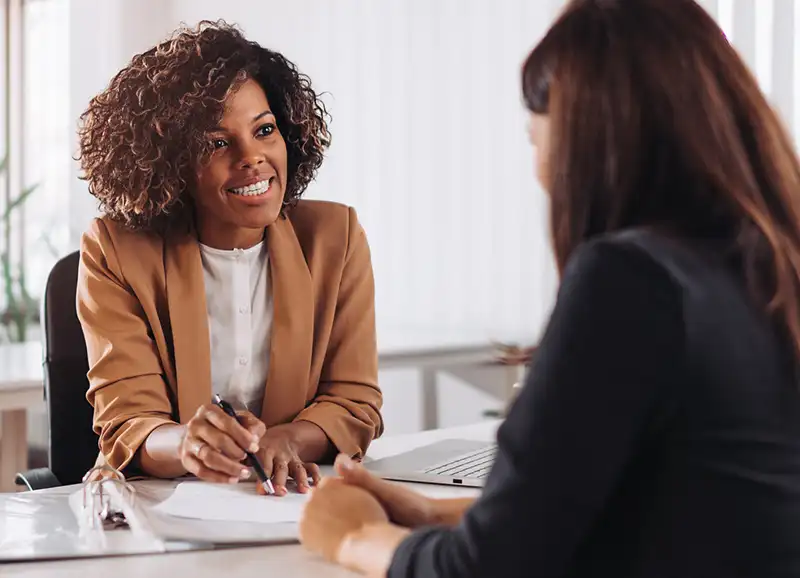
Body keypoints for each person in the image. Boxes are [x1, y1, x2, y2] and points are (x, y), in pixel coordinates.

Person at [298, 0, 800, 574]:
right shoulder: (767, 265)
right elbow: (679, 506)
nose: (538, 167)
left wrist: (355, 536)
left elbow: (490, 570)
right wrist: (437, 515)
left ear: (588, 136)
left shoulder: (633, 281)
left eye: (535, 136)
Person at [76, 21, 383, 495]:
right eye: (218, 143)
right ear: (173, 162)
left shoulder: (334, 238)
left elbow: (354, 402)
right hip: (159, 510)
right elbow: (129, 421)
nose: (252, 157)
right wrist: (186, 444)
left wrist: (288, 440)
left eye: (264, 130)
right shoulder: (115, 250)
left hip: (287, 501)